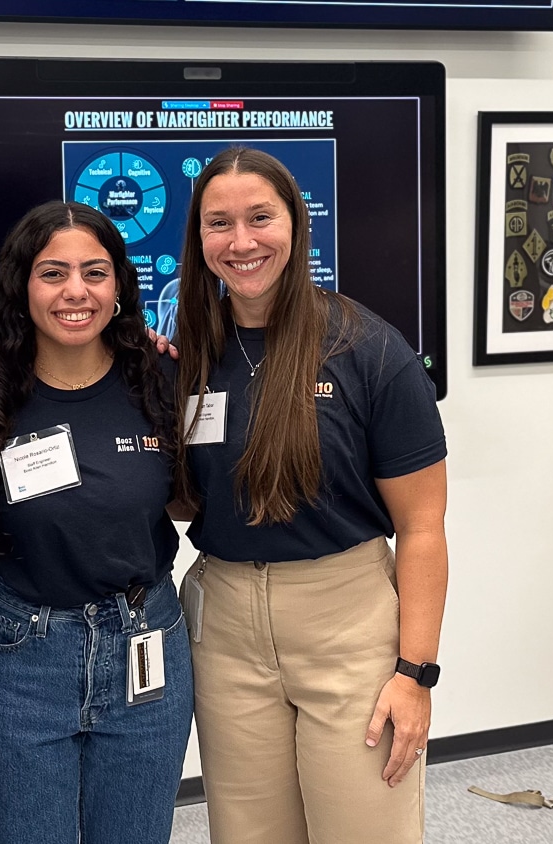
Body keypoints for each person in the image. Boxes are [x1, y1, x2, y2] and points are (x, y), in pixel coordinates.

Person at [172, 147, 448, 844]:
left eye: (260, 217)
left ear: (297, 225)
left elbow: (422, 526)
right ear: (198, 239)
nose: (241, 242)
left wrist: (415, 675)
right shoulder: (191, 351)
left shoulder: (370, 351)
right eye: (219, 223)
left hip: (346, 627)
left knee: (364, 830)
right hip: (226, 629)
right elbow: (191, 497)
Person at [0, 202, 195, 844]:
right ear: (22, 285)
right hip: (21, 657)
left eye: (95, 272)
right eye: (53, 273)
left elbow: (189, 498)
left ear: (119, 284)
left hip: (145, 643)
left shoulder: (161, 379)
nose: (75, 291)